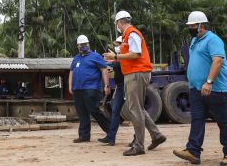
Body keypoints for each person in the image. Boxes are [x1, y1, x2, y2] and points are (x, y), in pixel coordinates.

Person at [172, 11, 227, 166]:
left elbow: (217, 61)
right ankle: (193, 151)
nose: (191, 28)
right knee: (197, 120)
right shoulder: (195, 41)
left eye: (193, 25)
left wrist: (209, 82)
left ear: (202, 25)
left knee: (223, 121)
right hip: (196, 88)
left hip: (214, 89)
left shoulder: (213, 40)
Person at [104, 11, 166, 156]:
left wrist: (116, 55)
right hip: (135, 72)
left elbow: (136, 54)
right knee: (139, 108)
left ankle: (139, 145)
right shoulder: (128, 35)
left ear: (120, 23)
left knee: (135, 109)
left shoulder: (132, 33)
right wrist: (115, 59)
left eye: (116, 24)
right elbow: (131, 56)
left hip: (136, 73)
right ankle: (156, 135)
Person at [68, 34, 111, 143]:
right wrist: (70, 86)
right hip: (78, 89)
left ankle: (111, 131)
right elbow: (71, 72)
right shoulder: (76, 58)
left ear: (89, 44)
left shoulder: (95, 56)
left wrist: (106, 85)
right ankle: (84, 135)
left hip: (91, 88)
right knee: (81, 112)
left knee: (94, 110)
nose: (83, 46)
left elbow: (104, 70)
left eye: (85, 44)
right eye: (81, 45)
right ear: (78, 46)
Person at [98, 38, 126, 146]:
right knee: (115, 111)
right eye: (117, 44)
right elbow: (112, 66)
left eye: (119, 44)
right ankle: (111, 137)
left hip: (127, 86)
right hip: (119, 87)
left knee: (134, 112)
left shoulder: (127, 57)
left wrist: (114, 58)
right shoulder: (117, 58)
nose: (117, 46)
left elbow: (121, 65)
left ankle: (137, 138)